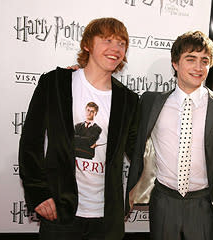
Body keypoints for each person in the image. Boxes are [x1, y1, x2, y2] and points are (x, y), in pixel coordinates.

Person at [19, 17, 139, 240]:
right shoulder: (55, 83)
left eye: (121, 43)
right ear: (87, 44)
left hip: (107, 219)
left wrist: (136, 191)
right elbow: (30, 142)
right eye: (107, 40)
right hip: (60, 212)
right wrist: (38, 192)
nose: (115, 48)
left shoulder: (128, 100)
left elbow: (138, 151)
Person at [126, 31, 213, 240]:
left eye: (205, 60)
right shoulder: (150, 102)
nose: (198, 67)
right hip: (163, 201)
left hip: (204, 203)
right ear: (175, 63)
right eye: (191, 59)